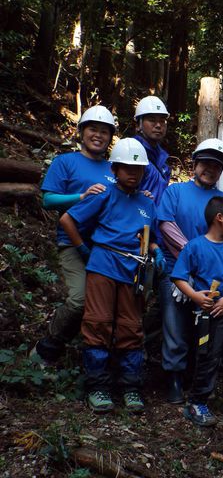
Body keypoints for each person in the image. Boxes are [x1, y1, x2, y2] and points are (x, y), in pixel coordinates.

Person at [59, 138, 163, 413]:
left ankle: (130, 388)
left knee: (131, 326)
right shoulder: (103, 193)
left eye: (138, 169)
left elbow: (148, 236)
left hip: (133, 269)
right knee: (98, 323)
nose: (133, 173)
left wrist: (156, 250)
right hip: (103, 264)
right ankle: (98, 387)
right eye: (126, 167)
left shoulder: (147, 203)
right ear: (115, 169)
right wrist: (82, 249)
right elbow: (68, 219)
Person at [32, 105, 117, 365]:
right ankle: (48, 347)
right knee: (79, 299)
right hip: (71, 242)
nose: (98, 136)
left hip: (105, 246)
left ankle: (92, 359)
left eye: (105, 132)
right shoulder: (65, 162)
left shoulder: (114, 168)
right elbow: (48, 200)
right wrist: (80, 197)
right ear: (81, 131)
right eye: (93, 129)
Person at [156, 138, 223, 404]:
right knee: (175, 325)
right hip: (175, 270)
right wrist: (191, 258)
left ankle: (198, 380)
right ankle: (174, 379)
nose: (210, 169)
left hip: (212, 278)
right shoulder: (175, 192)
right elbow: (166, 225)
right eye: (206, 163)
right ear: (195, 164)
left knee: (206, 331)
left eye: (216, 166)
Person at [171, 196, 223, 427]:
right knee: (208, 356)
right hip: (207, 316)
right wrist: (195, 296)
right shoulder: (195, 246)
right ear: (220, 218)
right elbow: (179, 276)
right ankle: (197, 401)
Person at [133, 96, 171, 206]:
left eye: (162, 121)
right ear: (138, 125)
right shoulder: (131, 152)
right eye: (152, 120)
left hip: (155, 220)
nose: (158, 125)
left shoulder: (163, 161)